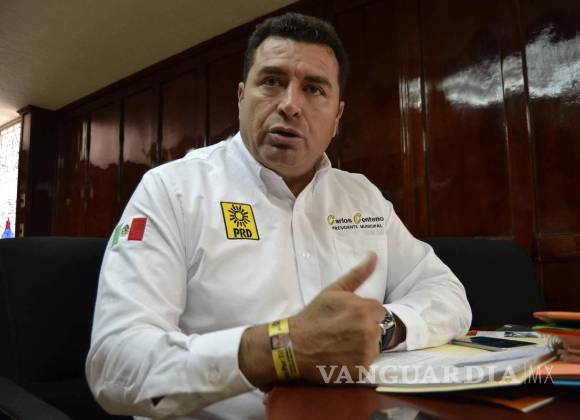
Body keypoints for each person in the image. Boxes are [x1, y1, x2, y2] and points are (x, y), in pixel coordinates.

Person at [86, 12, 471, 419]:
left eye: (314, 89)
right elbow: (115, 363)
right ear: (241, 96)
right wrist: (277, 349)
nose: (290, 105)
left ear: (337, 117)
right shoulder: (172, 189)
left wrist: (383, 328)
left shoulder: (362, 197)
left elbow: (445, 292)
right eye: (271, 81)